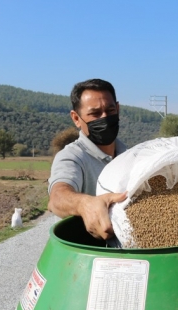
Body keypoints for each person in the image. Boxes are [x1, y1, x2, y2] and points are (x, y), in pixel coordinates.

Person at [48, 79, 127, 240]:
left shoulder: (130, 156)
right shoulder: (72, 156)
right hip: (86, 254)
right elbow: (57, 197)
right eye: (95, 114)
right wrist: (85, 204)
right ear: (76, 118)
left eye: (110, 110)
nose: (104, 118)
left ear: (117, 109)